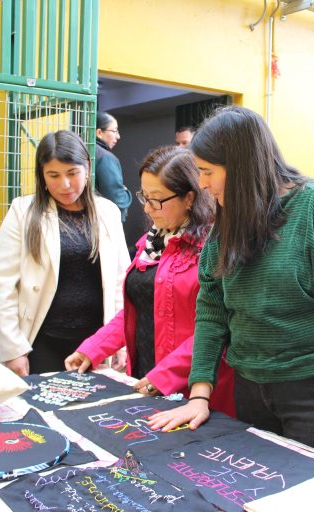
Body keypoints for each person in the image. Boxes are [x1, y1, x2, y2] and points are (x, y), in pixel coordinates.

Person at [148, 106, 314, 451]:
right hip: (250, 385)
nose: (203, 184)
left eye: (208, 172)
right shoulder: (230, 216)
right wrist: (199, 394)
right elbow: (212, 310)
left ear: (241, 166)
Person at [64, 146, 234, 417]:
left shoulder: (212, 248)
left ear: (189, 198)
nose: (147, 208)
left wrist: (165, 375)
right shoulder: (152, 243)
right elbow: (138, 309)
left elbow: (216, 328)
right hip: (147, 377)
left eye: (157, 200)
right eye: (145, 196)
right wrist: (94, 348)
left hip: (195, 390)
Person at [0, 130, 130, 376]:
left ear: (86, 167)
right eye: (53, 175)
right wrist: (13, 350)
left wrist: (119, 340)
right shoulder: (23, 212)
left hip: (94, 343)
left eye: (72, 173)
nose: (64, 184)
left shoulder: (107, 212)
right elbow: (4, 286)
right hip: (40, 341)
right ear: (41, 176)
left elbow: (121, 282)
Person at [95, 112, 132, 221]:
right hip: (105, 221)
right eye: (114, 131)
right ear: (99, 132)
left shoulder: (84, 151)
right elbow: (118, 199)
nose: (118, 136)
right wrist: (126, 193)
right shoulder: (105, 157)